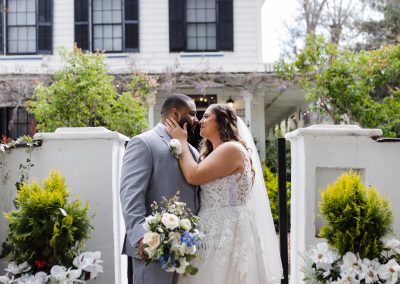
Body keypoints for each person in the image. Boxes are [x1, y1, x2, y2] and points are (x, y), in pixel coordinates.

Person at [165, 104, 283, 284]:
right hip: (212, 228)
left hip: (228, 230)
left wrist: (181, 141)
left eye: (206, 116)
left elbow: (193, 175)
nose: (200, 121)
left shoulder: (231, 149)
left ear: (221, 122)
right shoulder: (214, 152)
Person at [120, 93, 199, 284]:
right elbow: (130, 194)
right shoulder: (143, 142)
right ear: (175, 112)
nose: (196, 119)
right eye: (192, 114)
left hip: (184, 247)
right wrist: (141, 238)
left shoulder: (191, 150)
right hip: (152, 247)